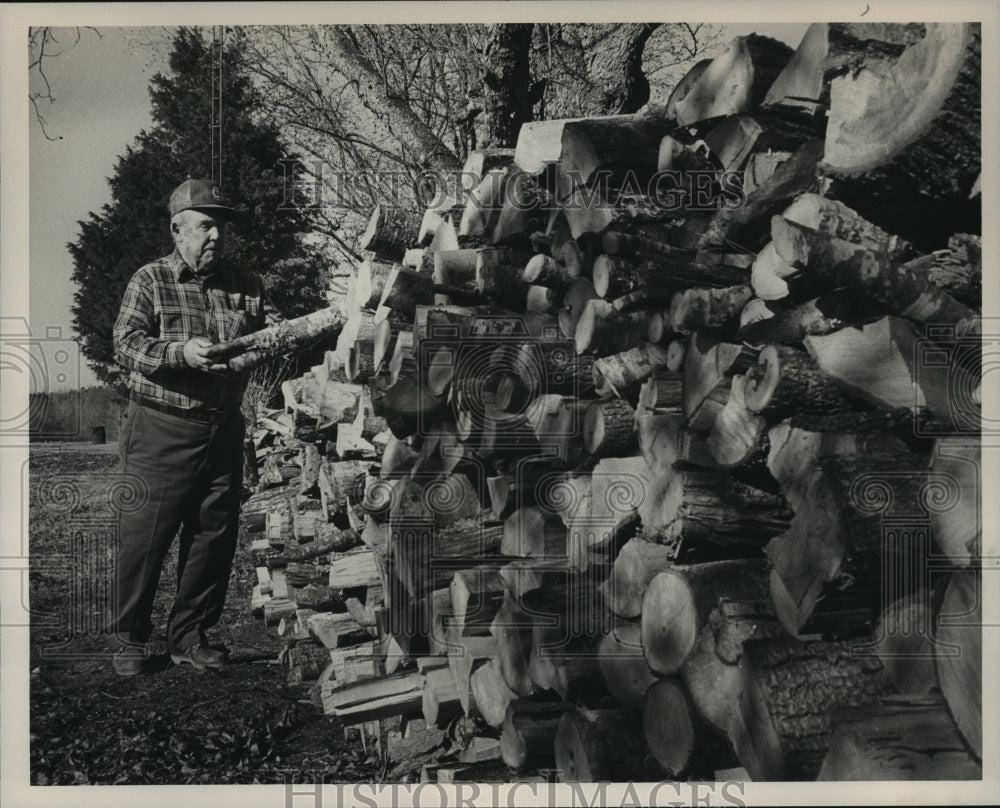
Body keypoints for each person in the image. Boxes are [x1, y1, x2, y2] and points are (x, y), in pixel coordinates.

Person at [109, 178, 274, 675]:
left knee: (213, 536)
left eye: (221, 225)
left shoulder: (247, 284)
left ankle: (190, 636)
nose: (215, 235)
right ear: (178, 230)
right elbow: (125, 344)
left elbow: (268, 340)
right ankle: (130, 641)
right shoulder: (151, 280)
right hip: (161, 427)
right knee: (144, 537)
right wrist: (180, 353)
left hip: (223, 429)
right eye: (204, 225)